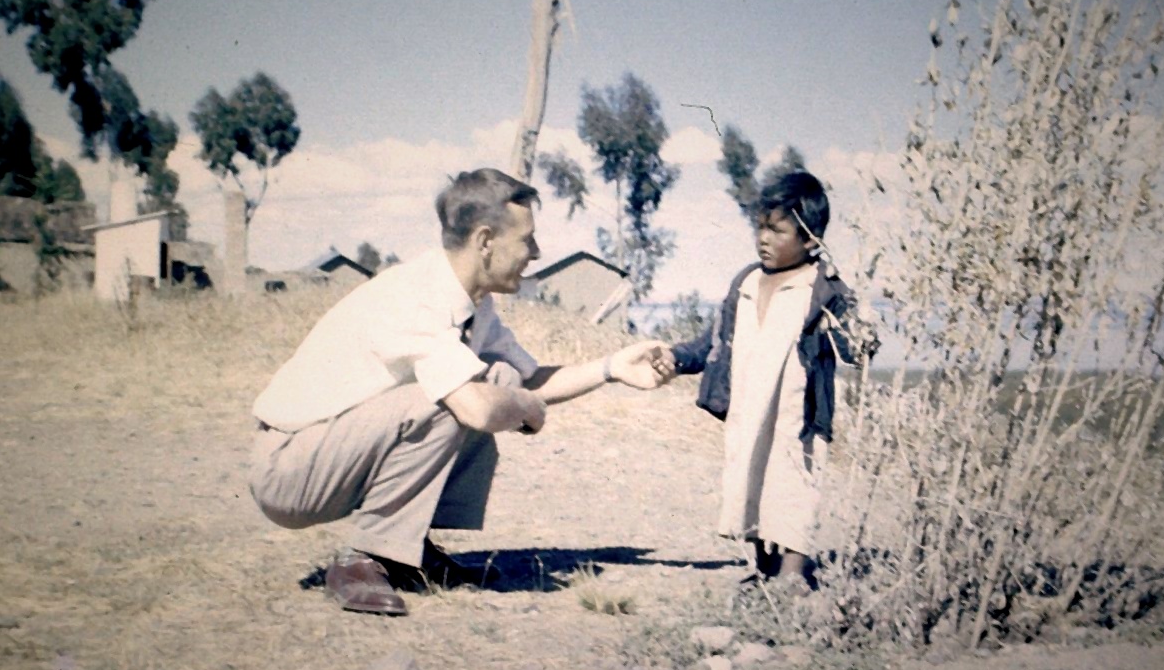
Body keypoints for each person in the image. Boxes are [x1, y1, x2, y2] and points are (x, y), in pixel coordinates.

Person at [250, 167, 669, 616]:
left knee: (498, 380)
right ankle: (365, 557)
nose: (536, 252)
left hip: (335, 455)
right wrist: (525, 406)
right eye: (527, 239)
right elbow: (477, 408)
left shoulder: (474, 305)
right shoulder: (415, 294)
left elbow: (527, 380)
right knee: (457, 399)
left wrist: (611, 367)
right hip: (290, 470)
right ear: (485, 240)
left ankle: (405, 550)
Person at [653, 171, 877, 589]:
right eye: (760, 228)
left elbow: (856, 350)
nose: (764, 239)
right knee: (750, 478)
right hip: (749, 404)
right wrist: (675, 357)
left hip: (798, 411)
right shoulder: (746, 283)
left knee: (795, 482)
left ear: (810, 239)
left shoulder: (825, 291)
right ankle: (764, 567)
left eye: (777, 231)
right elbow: (713, 340)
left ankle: (793, 572)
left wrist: (861, 327)